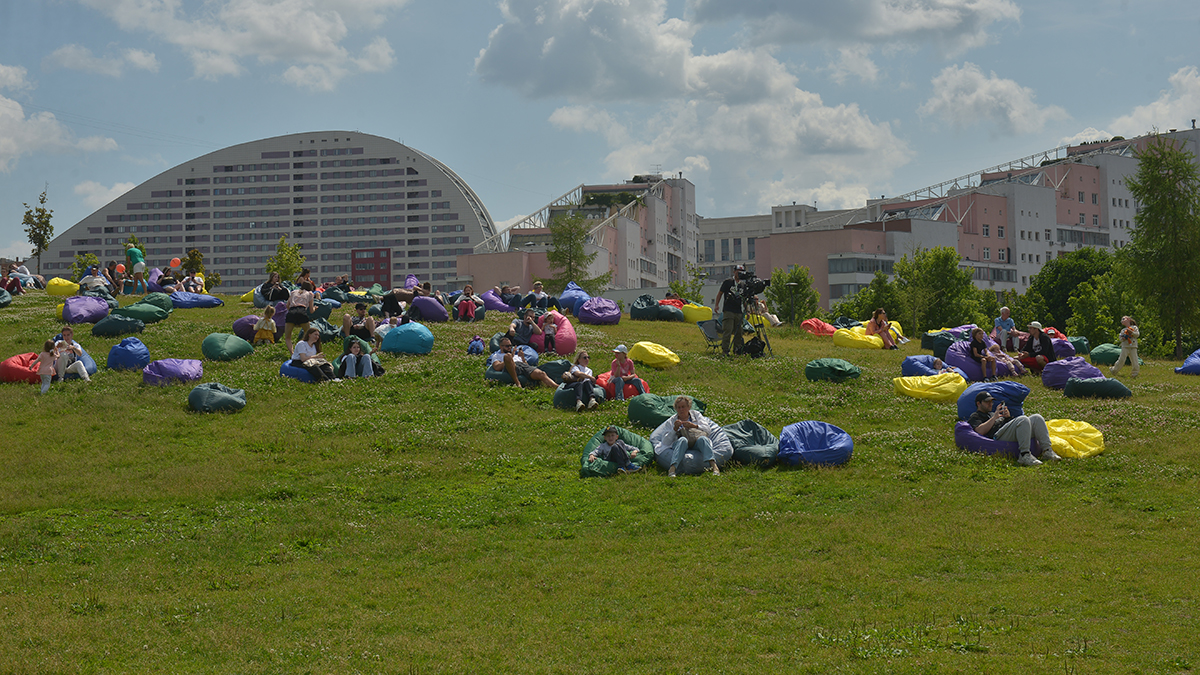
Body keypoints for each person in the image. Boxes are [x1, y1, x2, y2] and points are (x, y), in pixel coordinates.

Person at [967, 391, 1061, 467]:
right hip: (997, 437)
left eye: (991, 402)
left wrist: (1007, 418)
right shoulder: (975, 416)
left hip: (1007, 432)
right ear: (978, 403)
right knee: (1022, 419)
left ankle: (1047, 450)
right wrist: (994, 417)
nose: (990, 404)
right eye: (987, 402)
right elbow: (980, 431)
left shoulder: (992, 414)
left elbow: (1010, 426)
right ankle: (1024, 455)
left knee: (1037, 417)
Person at [651, 395, 726, 477]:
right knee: (683, 440)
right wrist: (674, 429)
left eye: (683, 407)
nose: (681, 410)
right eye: (678, 408)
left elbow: (707, 430)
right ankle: (672, 469)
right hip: (681, 444)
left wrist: (694, 426)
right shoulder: (672, 420)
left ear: (689, 407)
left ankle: (714, 466)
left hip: (695, 441)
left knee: (703, 439)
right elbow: (665, 441)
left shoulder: (696, 415)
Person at [489, 337, 556, 388]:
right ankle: (517, 383)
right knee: (507, 356)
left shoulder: (515, 354)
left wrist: (523, 358)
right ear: (501, 347)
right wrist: (510, 357)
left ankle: (556, 387)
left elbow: (526, 366)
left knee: (541, 373)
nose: (509, 347)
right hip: (511, 366)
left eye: (510, 345)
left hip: (522, 366)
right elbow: (497, 367)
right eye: (507, 346)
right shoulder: (497, 355)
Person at [713, 264, 746, 356]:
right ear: (734, 271)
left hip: (738, 311)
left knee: (738, 332)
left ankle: (737, 350)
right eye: (738, 272)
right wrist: (716, 305)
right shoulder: (728, 282)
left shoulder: (743, 284)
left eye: (741, 272)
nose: (739, 274)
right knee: (728, 330)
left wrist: (747, 309)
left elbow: (744, 298)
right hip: (728, 310)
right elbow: (720, 293)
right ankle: (725, 350)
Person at [283, 281, 315, 352]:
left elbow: (287, 305)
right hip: (302, 312)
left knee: (288, 337)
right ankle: (300, 347)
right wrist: (315, 308)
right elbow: (311, 310)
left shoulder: (293, 292)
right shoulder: (310, 294)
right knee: (307, 333)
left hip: (292, 312)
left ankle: (292, 353)